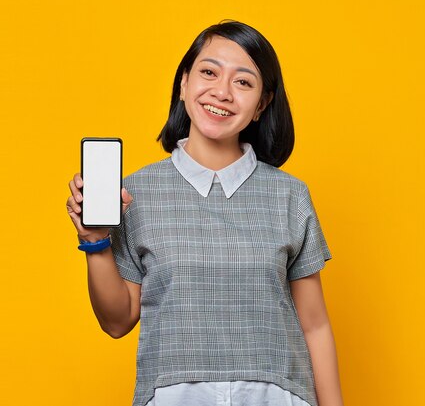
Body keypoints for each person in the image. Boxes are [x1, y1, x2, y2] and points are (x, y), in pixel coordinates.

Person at [66, 20, 345, 406]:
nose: (222, 92)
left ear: (262, 104)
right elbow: (117, 321)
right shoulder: (136, 193)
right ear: (183, 83)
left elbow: (315, 325)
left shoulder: (289, 195)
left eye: (243, 82)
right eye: (209, 72)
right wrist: (94, 239)